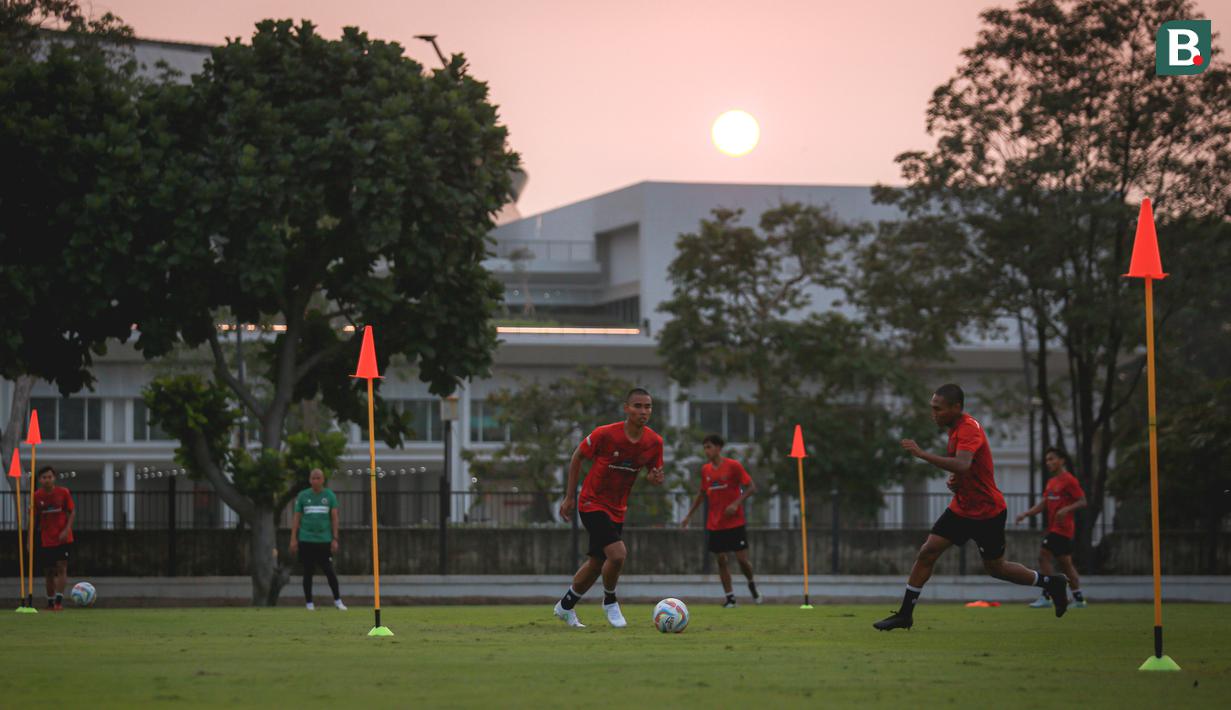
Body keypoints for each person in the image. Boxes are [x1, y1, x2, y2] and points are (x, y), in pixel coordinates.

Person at [874, 384, 1070, 631]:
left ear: (956, 407)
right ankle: (905, 614)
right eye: (932, 408)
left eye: (938, 409)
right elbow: (966, 469)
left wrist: (923, 455)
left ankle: (1051, 583)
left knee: (996, 569)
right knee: (927, 552)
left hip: (987, 512)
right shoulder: (954, 429)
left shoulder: (969, 428)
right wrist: (957, 482)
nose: (934, 413)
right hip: (962, 509)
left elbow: (963, 464)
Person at [555, 388, 665, 628]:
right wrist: (569, 496)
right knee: (618, 554)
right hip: (591, 502)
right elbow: (577, 457)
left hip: (618, 508)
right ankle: (610, 601)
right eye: (637, 406)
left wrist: (655, 478)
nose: (643, 411)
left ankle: (565, 606)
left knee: (597, 563)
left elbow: (654, 474)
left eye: (647, 407)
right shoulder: (605, 434)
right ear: (626, 408)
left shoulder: (654, 442)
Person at [680, 434, 762, 607]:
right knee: (721, 560)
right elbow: (702, 494)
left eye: (709, 447)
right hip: (715, 524)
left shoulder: (733, 466)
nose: (706, 451)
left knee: (742, 561)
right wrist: (688, 515)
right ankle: (730, 598)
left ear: (718, 448)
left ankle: (751, 583)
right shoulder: (706, 470)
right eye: (705, 447)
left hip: (735, 522)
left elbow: (751, 487)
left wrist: (736, 503)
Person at [1016, 447, 1088, 608]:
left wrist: (1066, 509)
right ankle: (1079, 598)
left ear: (1062, 460)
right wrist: (1026, 514)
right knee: (1066, 564)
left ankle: (1047, 595)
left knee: (1043, 555)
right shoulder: (1051, 482)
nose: (1048, 462)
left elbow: (1083, 501)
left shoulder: (1069, 480)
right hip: (1055, 528)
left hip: (1063, 529)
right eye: (1047, 460)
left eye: (1052, 459)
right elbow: (1044, 504)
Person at [289, 468, 346, 611]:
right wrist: (293, 539)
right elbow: (296, 518)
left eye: (318, 478)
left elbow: (334, 518)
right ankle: (309, 603)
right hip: (306, 539)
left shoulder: (329, 495)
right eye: (313, 478)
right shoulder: (303, 496)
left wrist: (335, 538)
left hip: (324, 540)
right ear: (309, 480)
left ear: (323, 480)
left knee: (329, 571)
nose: (315, 481)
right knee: (308, 571)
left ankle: (338, 601)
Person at [33, 466, 74, 611]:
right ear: (40, 480)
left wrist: (66, 529)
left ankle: (58, 601)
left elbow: (71, 511)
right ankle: (50, 602)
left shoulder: (63, 493)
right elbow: (33, 518)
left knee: (62, 567)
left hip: (63, 539)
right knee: (49, 572)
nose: (47, 480)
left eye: (50, 477)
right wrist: (28, 540)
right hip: (46, 539)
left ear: (54, 478)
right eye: (44, 477)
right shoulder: (36, 496)